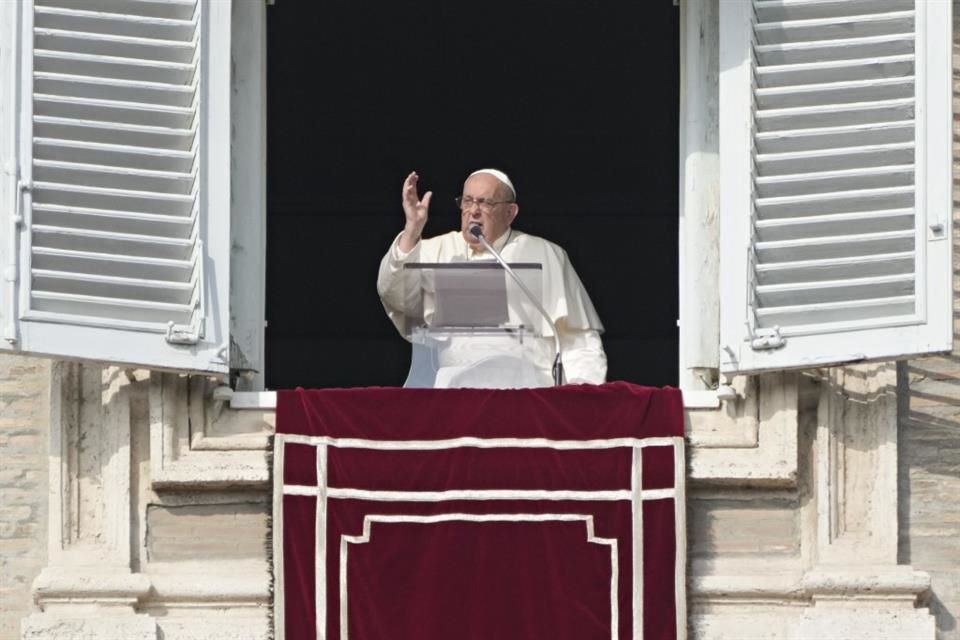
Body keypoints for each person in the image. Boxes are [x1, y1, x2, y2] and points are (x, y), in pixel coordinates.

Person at [377, 168, 607, 386]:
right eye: (467, 201)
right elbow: (396, 296)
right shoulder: (436, 250)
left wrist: (582, 392)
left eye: (485, 202)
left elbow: (578, 338)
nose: (473, 210)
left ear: (510, 213)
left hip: (529, 392)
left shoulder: (545, 254)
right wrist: (411, 231)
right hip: (457, 391)